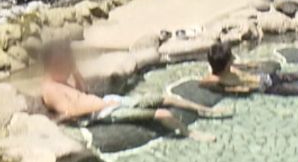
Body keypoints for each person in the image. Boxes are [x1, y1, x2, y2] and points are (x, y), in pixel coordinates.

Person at [39, 41, 222, 142]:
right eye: (64, 60)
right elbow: (71, 111)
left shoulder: (60, 81)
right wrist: (103, 104)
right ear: (52, 63)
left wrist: (75, 71)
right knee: (162, 113)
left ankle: (207, 110)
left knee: (166, 98)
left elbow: (83, 93)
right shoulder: (50, 90)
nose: (68, 62)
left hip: (108, 103)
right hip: (103, 113)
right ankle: (191, 134)